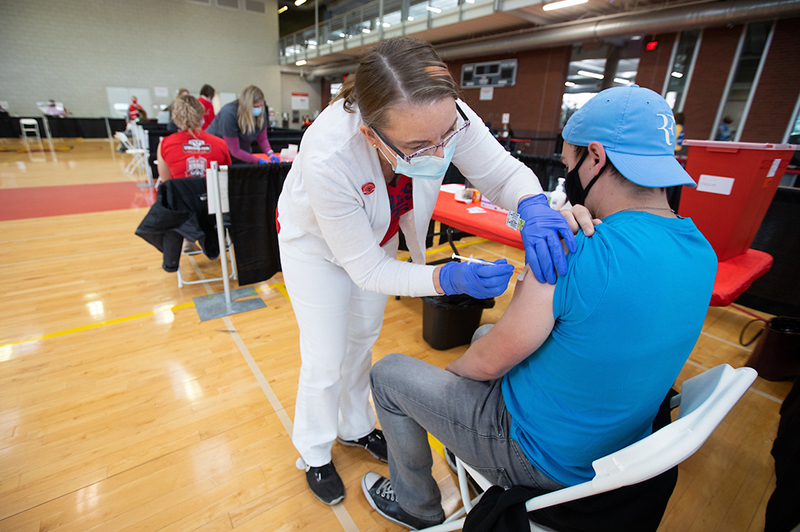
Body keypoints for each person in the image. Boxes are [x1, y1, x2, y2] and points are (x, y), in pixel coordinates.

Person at [361, 84, 718, 529]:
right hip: (619, 448)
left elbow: (486, 366)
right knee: (483, 333)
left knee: (391, 375)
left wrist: (445, 389)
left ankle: (418, 507)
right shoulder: (703, 253)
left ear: (596, 157)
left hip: (544, 460)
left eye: (568, 166)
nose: (567, 184)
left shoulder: (574, 251)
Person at [276, 36, 594, 506]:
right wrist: (447, 278)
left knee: (362, 338)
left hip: (378, 234)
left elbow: (502, 173)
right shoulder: (329, 154)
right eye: (419, 145)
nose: (440, 151)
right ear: (371, 134)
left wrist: (532, 203)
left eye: (446, 135)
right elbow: (367, 270)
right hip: (316, 248)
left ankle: (355, 426)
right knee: (325, 355)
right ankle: (315, 449)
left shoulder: (444, 115)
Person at [157, 95, 230, 180]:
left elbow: (166, 181)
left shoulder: (165, 144)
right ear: (202, 116)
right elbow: (225, 178)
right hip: (211, 192)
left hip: (180, 192)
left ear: (175, 118)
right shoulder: (220, 144)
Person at [206, 85, 280, 164]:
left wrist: (270, 153)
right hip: (220, 152)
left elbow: (262, 139)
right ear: (246, 106)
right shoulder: (228, 114)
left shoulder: (261, 114)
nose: (258, 109)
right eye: (255, 106)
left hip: (243, 151)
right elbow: (234, 150)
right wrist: (257, 160)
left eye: (260, 106)